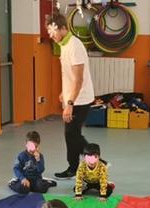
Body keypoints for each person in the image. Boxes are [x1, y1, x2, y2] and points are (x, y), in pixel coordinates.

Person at [45, 12, 95, 179]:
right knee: (72, 134)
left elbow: (79, 80)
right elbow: (70, 76)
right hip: (73, 96)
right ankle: (81, 165)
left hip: (80, 99)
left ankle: (89, 163)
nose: (51, 35)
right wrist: (64, 92)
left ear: (62, 28)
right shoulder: (64, 45)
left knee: (72, 134)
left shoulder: (74, 46)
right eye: (49, 32)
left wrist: (70, 103)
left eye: (53, 31)